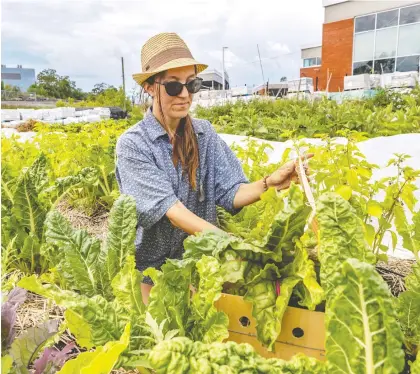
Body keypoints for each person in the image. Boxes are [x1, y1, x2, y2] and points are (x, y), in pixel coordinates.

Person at [115, 32, 311, 304]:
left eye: (192, 84)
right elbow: (172, 212)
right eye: (173, 87)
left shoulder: (204, 134)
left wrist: (269, 183)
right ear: (150, 87)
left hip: (203, 266)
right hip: (153, 271)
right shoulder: (134, 145)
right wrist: (229, 243)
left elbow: (231, 192)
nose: (185, 95)